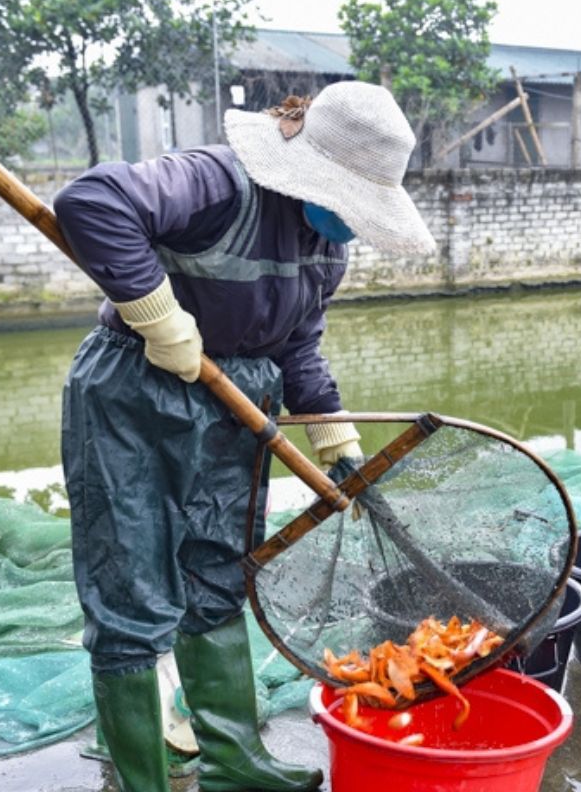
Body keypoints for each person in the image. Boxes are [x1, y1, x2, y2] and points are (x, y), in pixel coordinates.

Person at [52, 81, 435, 792]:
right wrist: (160, 318)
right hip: (137, 394)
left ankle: (234, 761)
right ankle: (143, 780)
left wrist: (334, 436)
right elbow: (92, 203)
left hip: (237, 410)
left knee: (219, 574)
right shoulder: (217, 181)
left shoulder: (328, 246)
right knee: (131, 586)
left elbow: (300, 344)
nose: (348, 221)